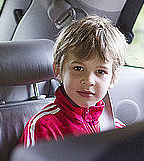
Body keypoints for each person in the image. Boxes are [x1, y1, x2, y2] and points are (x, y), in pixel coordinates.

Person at [20, 15, 127, 147]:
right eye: (78, 68)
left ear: (113, 78)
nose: (88, 81)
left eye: (100, 71)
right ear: (58, 71)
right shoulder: (43, 128)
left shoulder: (117, 129)